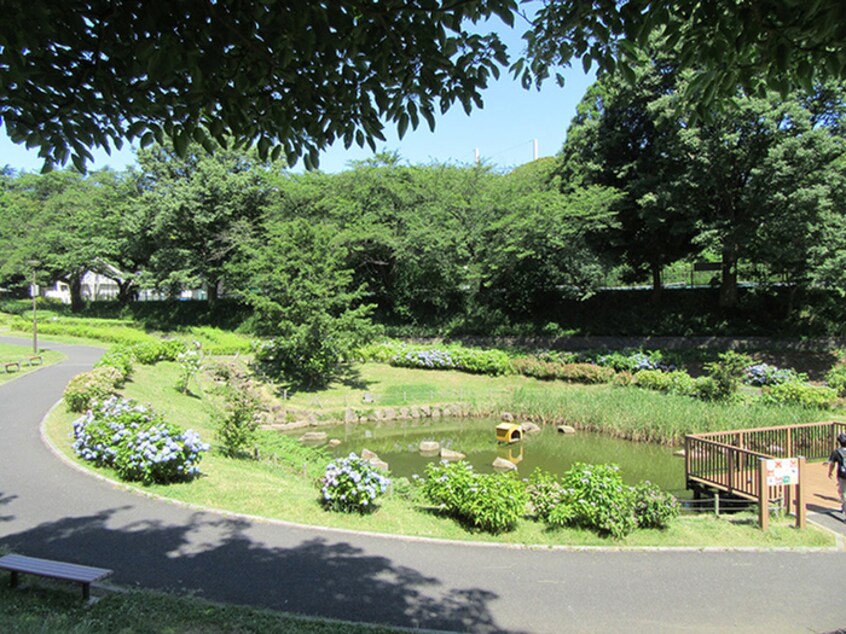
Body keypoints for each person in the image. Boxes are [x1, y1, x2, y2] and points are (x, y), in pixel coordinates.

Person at [827, 433, 846, 515]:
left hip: (842, 474)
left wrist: (830, 472)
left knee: (843, 493)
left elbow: (832, 464)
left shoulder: (836, 452)